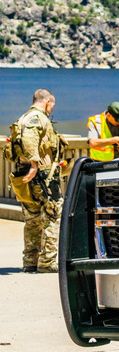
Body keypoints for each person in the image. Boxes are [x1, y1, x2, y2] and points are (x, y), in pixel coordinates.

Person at [8, 89, 65, 273]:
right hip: (42, 177)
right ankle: (47, 263)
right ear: (47, 102)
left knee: (32, 219)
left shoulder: (23, 117)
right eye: (52, 105)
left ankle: (30, 261)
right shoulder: (37, 118)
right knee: (52, 217)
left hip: (28, 177)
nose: (52, 109)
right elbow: (29, 137)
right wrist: (34, 163)